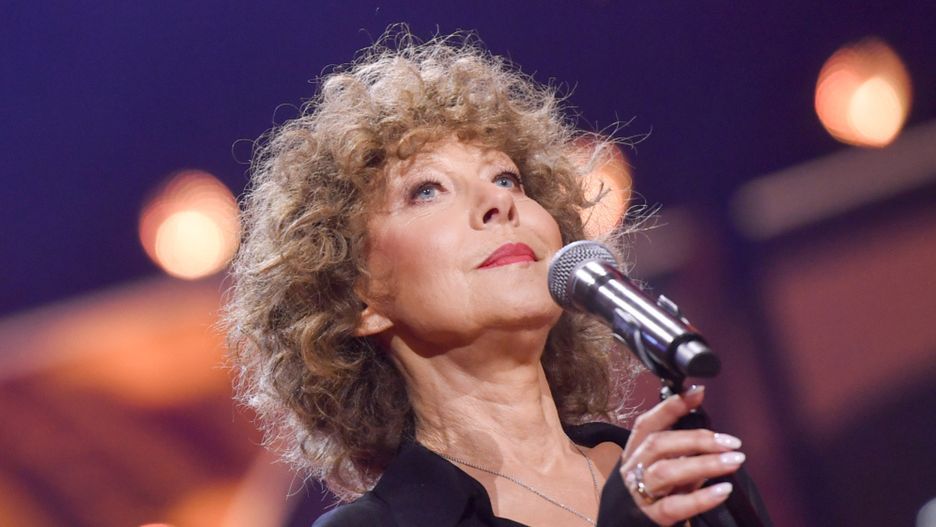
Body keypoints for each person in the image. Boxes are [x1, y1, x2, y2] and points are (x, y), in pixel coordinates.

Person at [223, 29, 769, 527]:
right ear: (358, 300)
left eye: (507, 178)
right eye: (427, 191)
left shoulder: (683, 474)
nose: (498, 202)